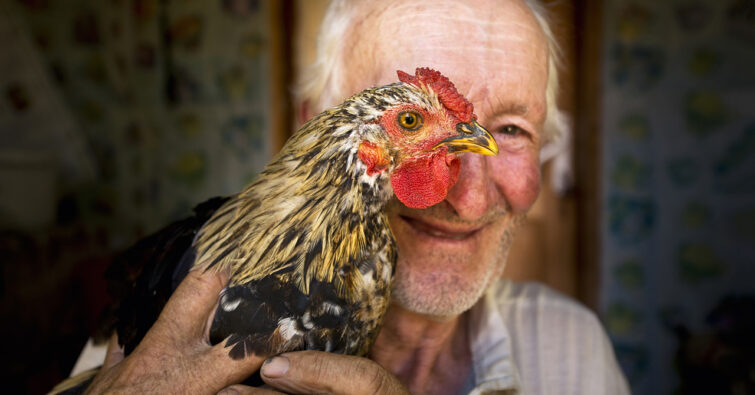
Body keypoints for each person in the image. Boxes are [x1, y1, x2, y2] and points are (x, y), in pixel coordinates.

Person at [80, 0, 630, 394]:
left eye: (510, 129)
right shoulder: (162, 320)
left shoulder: (572, 352)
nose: (466, 200)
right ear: (317, 128)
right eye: (411, 120)